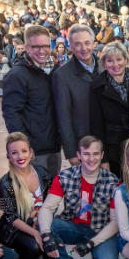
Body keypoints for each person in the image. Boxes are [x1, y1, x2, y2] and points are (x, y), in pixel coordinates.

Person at [37, 136, 121, 259]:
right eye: (86, 154)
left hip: (100, 230)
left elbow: (115, 222)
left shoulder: (113, 182)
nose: (91, 158)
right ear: (79, 155)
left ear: (102, 155)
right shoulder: (64, 177)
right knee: (50, 225)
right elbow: (47, 208)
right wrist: (46, 234)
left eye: (95, 154)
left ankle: (96, 253)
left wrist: (92, 243)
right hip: (73, 227)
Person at [0, 132, 53, 259]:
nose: (20, 156)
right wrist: (35, 233)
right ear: (8, 156)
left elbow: (51, 203)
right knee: (35, 246)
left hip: (38, 224)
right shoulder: (5, 183)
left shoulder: (42, 173)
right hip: (15, 229)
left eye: (24, 151)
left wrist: (44, 228)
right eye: (14, 153)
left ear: (31, 153)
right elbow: (10, 217)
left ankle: (32, 250)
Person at [2, 25, 61, 176]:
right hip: (34, 150)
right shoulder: (17, 75)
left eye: (46, 46)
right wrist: (24, 148)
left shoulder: (52, 70)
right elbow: (11, 114)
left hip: (53, 146)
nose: (42, 51)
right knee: (35, 194)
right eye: (36, 47)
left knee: (52, 192)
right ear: (27, 48)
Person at [89, 42, 129, 174]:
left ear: (126, 60)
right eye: (110, 61)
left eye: (119, 59)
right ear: (104, 63)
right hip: (113, 149)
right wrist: (103, 159)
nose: (115, 64)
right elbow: (96, 125)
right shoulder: (97, 87)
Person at [52, 24, 99, 167]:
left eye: (87, 43)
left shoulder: (106, 66)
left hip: (107, 143)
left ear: (94, 44)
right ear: (70, 46)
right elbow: (63, 115)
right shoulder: (62, 75)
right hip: (82, 145)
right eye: (78, 44)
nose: (83, 48)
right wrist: (71, 151)